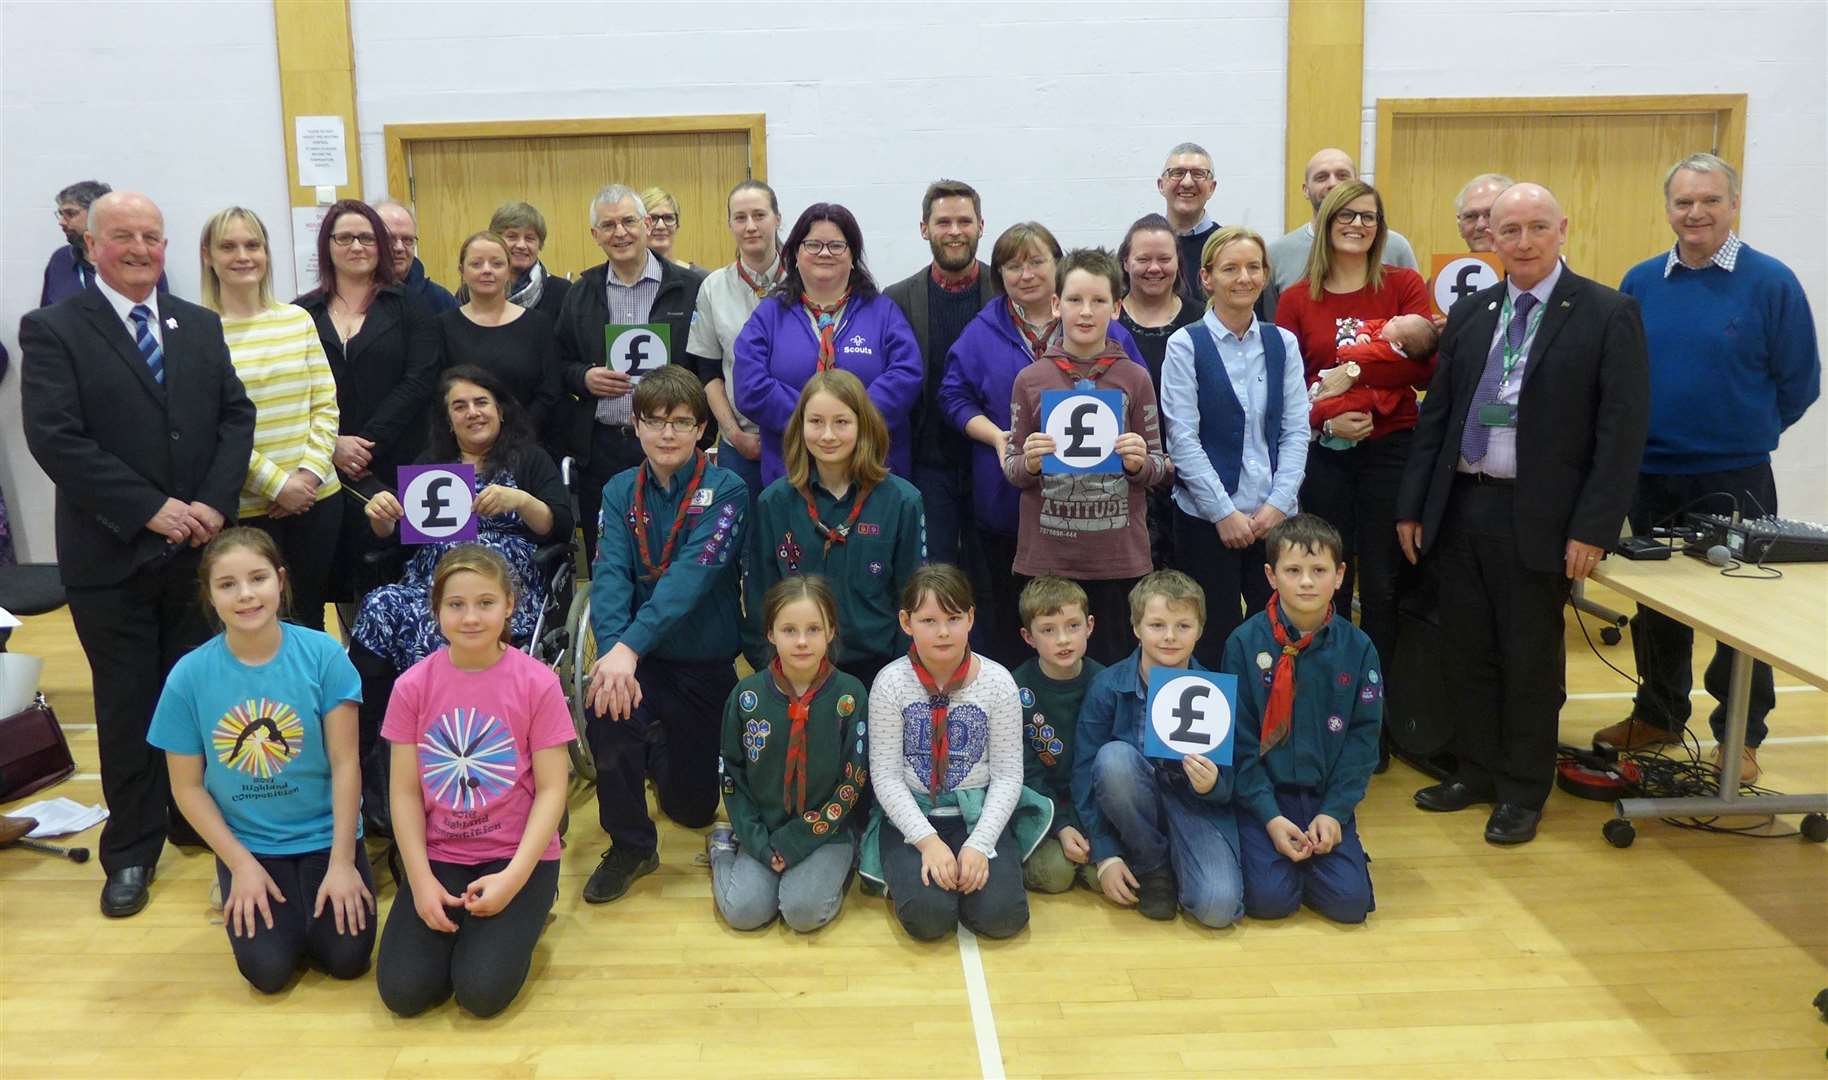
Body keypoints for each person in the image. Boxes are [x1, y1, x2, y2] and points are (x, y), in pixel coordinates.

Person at [21, 190, 257, 917]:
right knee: (127, 706)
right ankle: (130, 848)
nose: (139, 249)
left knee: (194, 696)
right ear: (91, 246)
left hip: (195, 556)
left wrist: (215, 504)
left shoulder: (199, 325)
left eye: (151, 237)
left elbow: (233, 415)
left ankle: (192, 819)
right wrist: (149, 509)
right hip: (111, 554)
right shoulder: (54, 329)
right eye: (122, 236)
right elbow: (56, 440)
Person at [1398, 182, 1649, 845]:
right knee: (1467, 650)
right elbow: (1440, 418)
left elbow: (1620, 437)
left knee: (1529, 659)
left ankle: (1521, 788)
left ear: (1563, 228)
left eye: (1538, 227)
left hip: (1540, 515)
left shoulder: (1606, 313)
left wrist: (1593, 529)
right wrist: (1416, 505)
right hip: (1461, 505)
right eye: (1510, 231)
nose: (1524, 242)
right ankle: (1474, 771)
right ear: (1492, 239)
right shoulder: (1476, 312)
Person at [1595, 153, 1820, 779]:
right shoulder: (1640, 282)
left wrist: (1746, 430)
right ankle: (1659, 713)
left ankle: (1740, 734)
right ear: (1668, 209)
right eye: (1684, 202)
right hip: (1649, 472)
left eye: (1710, 201)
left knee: (1742, 607)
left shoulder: (1771, 282)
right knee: (1657, 602)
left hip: (1736, 476)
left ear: (1733, 205)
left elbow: (1800, 381)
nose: (1696, 213)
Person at [148, 529, 375, 991]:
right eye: (227, 584)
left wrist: (343, 862)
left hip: (325, 837)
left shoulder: (323, 655)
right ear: (210, 596)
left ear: (281, 581)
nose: (246, 595)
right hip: (251, 845)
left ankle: (308, 900)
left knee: (347, 958)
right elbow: (187, 788)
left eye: (258, 578)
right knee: (267, 973)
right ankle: (261, 898)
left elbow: (346, 764)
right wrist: (240, 865)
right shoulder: (189, 676)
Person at [349, 366, 573, 824]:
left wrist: (521, 502)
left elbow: (562, 526)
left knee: (450, 623)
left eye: (481, 403)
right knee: (378, 606)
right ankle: (373, 764)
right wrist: (381, 518)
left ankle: (454, 773)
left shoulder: (529, 460)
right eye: (460, 406)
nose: (472, 413)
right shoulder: (428, 465)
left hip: (502, 586)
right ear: (447, 420)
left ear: (500, 410)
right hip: (430, 584)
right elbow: (394, 542)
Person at [376, 545, 573, 1018]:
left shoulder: (536, 682)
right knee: (404, 993)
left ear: (510, 604)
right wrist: (421, 881)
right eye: (456, 604)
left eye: (485, 603)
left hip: (515, 854)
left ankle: (528, 909)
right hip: (442, 855)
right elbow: (403, 792)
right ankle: (470, 932)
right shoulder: (411, 687)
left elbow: (552, 789)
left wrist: (514, 879)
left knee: (481, 994)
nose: (470, 617)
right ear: (437, 610)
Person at [938, 223, 1145, 664]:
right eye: (1013, 265)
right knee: (1026, 628)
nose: (1026, 273)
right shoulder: (981, 331)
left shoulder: (1114, 341)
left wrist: (1136, 459)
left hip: (1101, 526)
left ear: (1056, 267)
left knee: (1100, 637)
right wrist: (1000, 438)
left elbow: (1143, 424)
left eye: (1036, 261)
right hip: (1014, 512)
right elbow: (952, 396)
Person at [581, 365, 747, 904]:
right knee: (607, 707)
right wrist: (613, 657)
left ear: (702, 428)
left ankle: (654, 745)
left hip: (703, 662)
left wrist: (628, 646)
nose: (667, 434)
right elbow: (608, 578)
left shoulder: (728, 490)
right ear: (636, 426)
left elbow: (689, 580)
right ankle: (631, 846)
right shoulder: (616, 491)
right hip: (638, 663)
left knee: (693, 809)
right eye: (654, 422)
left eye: (680, 422)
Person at [1274, 180, 1433, 676]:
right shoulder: (1297, 298)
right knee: (1326, 579)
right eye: (1346, 215)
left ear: (1380, 227)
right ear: (1324, 222)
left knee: (1385, 581)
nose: (1357, 225)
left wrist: (1356, 372)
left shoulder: (1403, 284)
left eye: (1368, 216)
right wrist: (1327, 415)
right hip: (1326, 455)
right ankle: (1331, 687)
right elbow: (1288, 385)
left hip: (1392, 450)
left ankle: (1381, 699)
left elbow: (1425, 369)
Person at [859, 564, 1047, 941]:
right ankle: (910, 874)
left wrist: (980, 844)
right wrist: (927, 842)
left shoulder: (998, 682)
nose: (943, 631)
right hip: (912, 815)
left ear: (971, 618)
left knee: (1003, 919)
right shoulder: (890, 684)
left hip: (976, 814)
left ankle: (972, 871)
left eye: (954, 618)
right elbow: (886, 777)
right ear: (906, 622)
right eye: (928, 620)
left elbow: (1009, 775)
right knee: (929, 921)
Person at [1004, 247, 1168, 666]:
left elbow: (1160, 466)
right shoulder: (1031, 379)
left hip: (1118, 558)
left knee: (1115, 668)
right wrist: (1031, 461)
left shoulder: (1135, 376)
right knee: (1055, 666)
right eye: (1075, 300)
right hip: (1049, 558)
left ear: (1116, 307)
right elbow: (1012, 466)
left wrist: (1138, 461)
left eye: (1098, 301)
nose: (1086, 311)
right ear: (1056, 304)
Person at [1161, 226, 1311, 668]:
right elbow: (1182, 438)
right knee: (1213, 641)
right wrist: (1223, 513)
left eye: (1253, 267)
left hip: (1274, 519)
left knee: (1279, 639)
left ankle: (1272, 729)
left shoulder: (1282, 343)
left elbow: (1296, 431)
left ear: (1265, 274)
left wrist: (1279, 505)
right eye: (1230, 268)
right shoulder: (1185, 344)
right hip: (1207, 523)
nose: (1243, 277)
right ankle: (1219, 737)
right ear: (1207, 278)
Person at [1224, 514, 1379, 924]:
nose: (1307, 582)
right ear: (1271, 576)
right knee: (1271, 903)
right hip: (1265, 795)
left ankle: (1328, 854)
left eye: (1319, 571)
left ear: (1341, 575)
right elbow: (1238, 741)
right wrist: (1271, 817)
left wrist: (1334, 811)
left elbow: (1363, 741)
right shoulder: (1243, 643)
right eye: (1293, 571)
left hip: (1324, 796)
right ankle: (1277, 854)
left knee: (1350, 905)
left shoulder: (1359, 648)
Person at [197, 206, 343, 633]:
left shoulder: (297, 320)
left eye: (253, 245)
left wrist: (308, 477)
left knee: (308, 617)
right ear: (208, 256)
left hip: (316, 499)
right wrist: (278, 485)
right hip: (246, 506)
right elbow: (212, 427)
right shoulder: (199, 330)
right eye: (229, 246)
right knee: (253, 624)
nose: (243, 256)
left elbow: (326, 405)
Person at [1071, 571, 1241, 927]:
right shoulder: (1107, 687)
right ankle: (1153, 866)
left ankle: (1178, 860)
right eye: (1157, 625)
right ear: (1136, 628)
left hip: (1194, 807)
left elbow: (1235, 775)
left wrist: (1214, 784)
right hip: (1134, 806)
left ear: (1200, 629)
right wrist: (1105, 855)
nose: (1169, 637)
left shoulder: (1214, 693)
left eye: (1183, 626)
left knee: (1217, 908)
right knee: (1112, 759)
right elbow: (1085, 773)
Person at [294, 199, 441, 609]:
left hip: (401, 462)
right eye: (344, 237)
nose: (356, 246)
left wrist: (364, 443)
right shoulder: (300, 314)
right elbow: (297, 393)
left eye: (366, 237)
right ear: (328, 246)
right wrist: (334, 445)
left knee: (402, 582)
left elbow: (420, 381)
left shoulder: (411, 306)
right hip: (325, 469)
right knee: (337, 582)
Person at [744, 371, 926, 689]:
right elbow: (761, 596)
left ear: (863, 426)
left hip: (880, 672)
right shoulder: (774, 502)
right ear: (800, 427)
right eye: (816, 422)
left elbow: (912, 599)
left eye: (841, 422)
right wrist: (774, 673)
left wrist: (899, 677)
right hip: (796, 673)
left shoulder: (903, 501)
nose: (828, 435)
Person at [708, 575, 869, 932]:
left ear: (831, 632)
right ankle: (722, 852)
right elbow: (732, 776)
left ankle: (843, 858)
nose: (801, 641)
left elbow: (852, 782)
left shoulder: (850, 695)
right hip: (762, 831)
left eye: (813, 629)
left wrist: (799, 839)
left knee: (802, 913)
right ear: (770, 634)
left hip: (826, 831)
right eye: (789, 630)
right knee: (744, 913)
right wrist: (758, 842)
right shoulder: (747, 697)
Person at [554, 184, 702, 562]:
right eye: (608, 225)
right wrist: (584, 377)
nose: (619, 233)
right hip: (603, 448)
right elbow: (558, 364)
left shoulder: (691, 289)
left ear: (647, 224)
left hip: (673, 445)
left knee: (675, 554)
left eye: (628, 221)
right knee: (611, 558)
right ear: (595, 235)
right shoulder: (581, 292)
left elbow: (706, 367)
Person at [734, 202, 923, 486]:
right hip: (792, 474)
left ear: (852, 256)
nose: (824, 253)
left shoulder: (883, 312)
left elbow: (907, 375)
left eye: (836, 245)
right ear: (795, 254)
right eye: (813, 245)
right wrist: (812, 422)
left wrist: (852, 421)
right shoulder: (769, 314)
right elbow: (749, 385)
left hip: (872, 473)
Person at [883, 180, 996, 567]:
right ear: (924, 229)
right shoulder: (896, 299)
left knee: (990, 577)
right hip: (927, 464)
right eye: (943, 222)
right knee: (936, 574)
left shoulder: (1006, 291)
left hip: (993, 460)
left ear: (981, 226)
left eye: (964, 221)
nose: (954, 231)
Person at [687, 179, 786, 502]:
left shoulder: (807, 280)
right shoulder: (713, 288)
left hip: (802, 439)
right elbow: (708, 369)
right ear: (729, 224)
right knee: (740, 543)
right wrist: (734, 434)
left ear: (777, 218)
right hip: (740, 443)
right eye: (740, 217)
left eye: (759, 215)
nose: (751, 226)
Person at [1116, 214, 1202, 570]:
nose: (1154, 268)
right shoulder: (1106, 322)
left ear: (1178, 262)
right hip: (1124, 481)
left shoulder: (1202, 321)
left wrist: (1178, 463)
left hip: (1193, 482)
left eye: (1164, 259)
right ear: (1125, 262)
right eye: (1143, 259)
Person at [1012, 576, 1105, 894]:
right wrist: (1062, 825)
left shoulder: (1105, 682)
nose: (1063, 639)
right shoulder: (1016, 688)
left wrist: (1092, 825)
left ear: (1090, 626)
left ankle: (1086, 852)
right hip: (1042, 809)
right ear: (1028, 636)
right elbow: (1025, 773)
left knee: (1101, 876)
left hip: (1093, 808)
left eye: (1073, 626)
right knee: (1055, 876)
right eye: (1048, 630)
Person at [1263, 148, 1420, 322]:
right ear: (1306, 190)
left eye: (1342, 176)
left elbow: (1416, 332)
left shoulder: (1396, 247)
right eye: (1321, 177)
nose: (1333, 184)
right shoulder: (1276, 255)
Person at [436, 231, 561, 439]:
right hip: (463, 447)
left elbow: (550, 391)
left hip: (527, 443)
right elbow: (439, 394)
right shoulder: (442, 326)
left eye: (496, 264)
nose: (487, 270)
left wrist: (516, 434)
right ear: (462, 271)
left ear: (508, 269)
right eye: (476, 264)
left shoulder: (538, 324)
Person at [1308, 315, 1440, 451]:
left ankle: (1314, 415)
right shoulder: (1390, 332)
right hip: (1361, 397)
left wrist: (1348, 357)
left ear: (1398, 344)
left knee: (1337, 404)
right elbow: (1375, 322)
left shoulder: (1386, 350)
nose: (1394, 317)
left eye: (1397, 322)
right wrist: (1363, 332)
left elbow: (1351, 354)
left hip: (1376, 406)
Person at [41, 180, 169, 307]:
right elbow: (45, 313)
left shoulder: (138, 261)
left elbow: (159, 313)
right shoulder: (60, 260)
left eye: (70, 213)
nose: (62, 222)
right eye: (61, 214)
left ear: (96, 214)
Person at [1156, 142, 1220, 304]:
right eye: (1177, 173)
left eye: (1198, 174)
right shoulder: (1144, 246)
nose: (1187, 183)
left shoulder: (1226, 246)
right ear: (1161, 185)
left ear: (1212, 188)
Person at [489, 201, 571, 322]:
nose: (521, 245)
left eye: (529, 238)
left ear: (540, 244)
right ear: (495, 240)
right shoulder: (477, 288)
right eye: (512, 236)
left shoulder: (562, 291)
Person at [375, 199, 458, 314]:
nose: (399, 247)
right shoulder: (354, 299)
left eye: (407, 240)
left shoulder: (440, 301)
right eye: (389, 239)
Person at [640, 185, 706, 280]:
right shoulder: (628, 279)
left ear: (677, 225)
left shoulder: (701, 279)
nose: (661, 226)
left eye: (669, 218)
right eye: (653, 218)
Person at [1455, 173, 1515, 253]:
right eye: (1470, 216)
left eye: (1491, 214)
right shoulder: (1449, 265)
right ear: (1460, 226)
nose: (1481, 225)